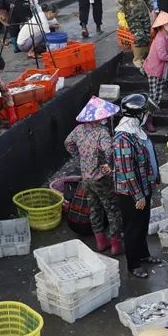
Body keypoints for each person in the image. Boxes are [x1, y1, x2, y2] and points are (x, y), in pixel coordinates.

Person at [65, 96, 124, 255]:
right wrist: (109, 166)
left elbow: (68, 143)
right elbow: (109, 151)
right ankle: (115, 243)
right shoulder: (102, 132)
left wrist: (79, 157)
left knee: (94, 208)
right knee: (112, 209)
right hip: (101, 178)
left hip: (86, 178)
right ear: (100, 117)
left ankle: (100, 241)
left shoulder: (78, 130)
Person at [112, 94, 161, 279]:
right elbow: (126, 170)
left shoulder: (137, 131)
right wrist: (138, 195)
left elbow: (148, 156)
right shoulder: (123, 137)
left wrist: (155, 177)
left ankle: (144, 254)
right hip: (130, 193)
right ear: (136, 115)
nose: (147, 116)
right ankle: (133, 264)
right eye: (145, 113)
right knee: (132, 227)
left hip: (144, 186)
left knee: (142, 223)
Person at [143, 11, 168, 121]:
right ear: (163, 26)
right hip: (155, 71)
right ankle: (147, 120)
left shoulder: (165, 36)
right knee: (155, 96)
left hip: (163, 69)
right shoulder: (160, 38)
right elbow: (162, 56)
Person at [116, 0, 155, 71]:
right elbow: (119, 4)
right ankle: (137, 59)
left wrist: (152, 11)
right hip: (131, 16)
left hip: (144, 14)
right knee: (139, 37)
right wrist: (121, 18)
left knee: (147, 36)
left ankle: (144, 57)